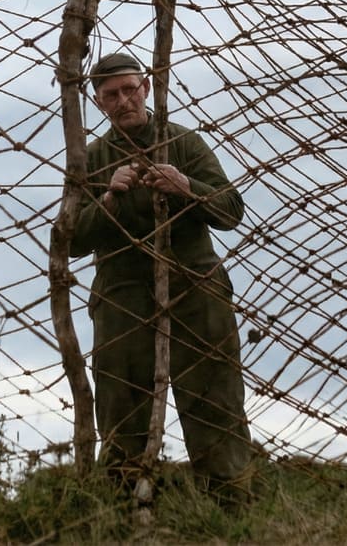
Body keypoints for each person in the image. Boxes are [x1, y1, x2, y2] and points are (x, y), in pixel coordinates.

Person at [71, 51, 253, 504]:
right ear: (97, 102)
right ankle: (120, 512)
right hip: (122, 297)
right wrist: (109, 198)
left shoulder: (184, 143)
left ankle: (230, 511)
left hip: (196, 287)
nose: (122, 101)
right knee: (120, 408)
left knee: (214, 402)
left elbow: (231, 211)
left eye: (129, 90)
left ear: (146, 88)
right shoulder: (90, 159)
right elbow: (70, 241)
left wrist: (186, 187)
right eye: (110, 95)